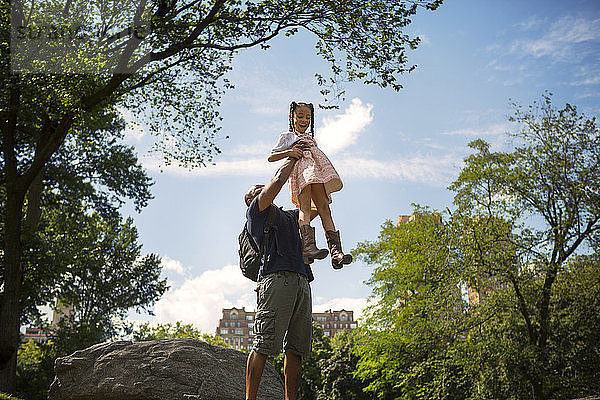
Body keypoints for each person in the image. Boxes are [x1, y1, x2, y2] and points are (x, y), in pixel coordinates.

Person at [243, 147, 314, 400]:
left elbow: (314, 205)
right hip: (276, 280)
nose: (263, 191)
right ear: (253, 198)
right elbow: (277, 181)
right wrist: (292, 157)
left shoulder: (290, 216)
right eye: (258, 190)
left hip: (301, 281)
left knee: (296, 349)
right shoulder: (256, 213)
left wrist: (313, 168)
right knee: (264, 344)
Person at [268, 101, 352, 269]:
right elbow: (271, 156)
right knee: (305, 207)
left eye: (308, 117)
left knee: (324, 207)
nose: (304, 120)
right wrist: (289, 152)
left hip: (317, 172)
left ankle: (336, 252)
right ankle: (308, 246)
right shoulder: (288, 136)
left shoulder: (311, 138)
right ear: (292, 117)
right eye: (300, 116)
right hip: (302, 172)